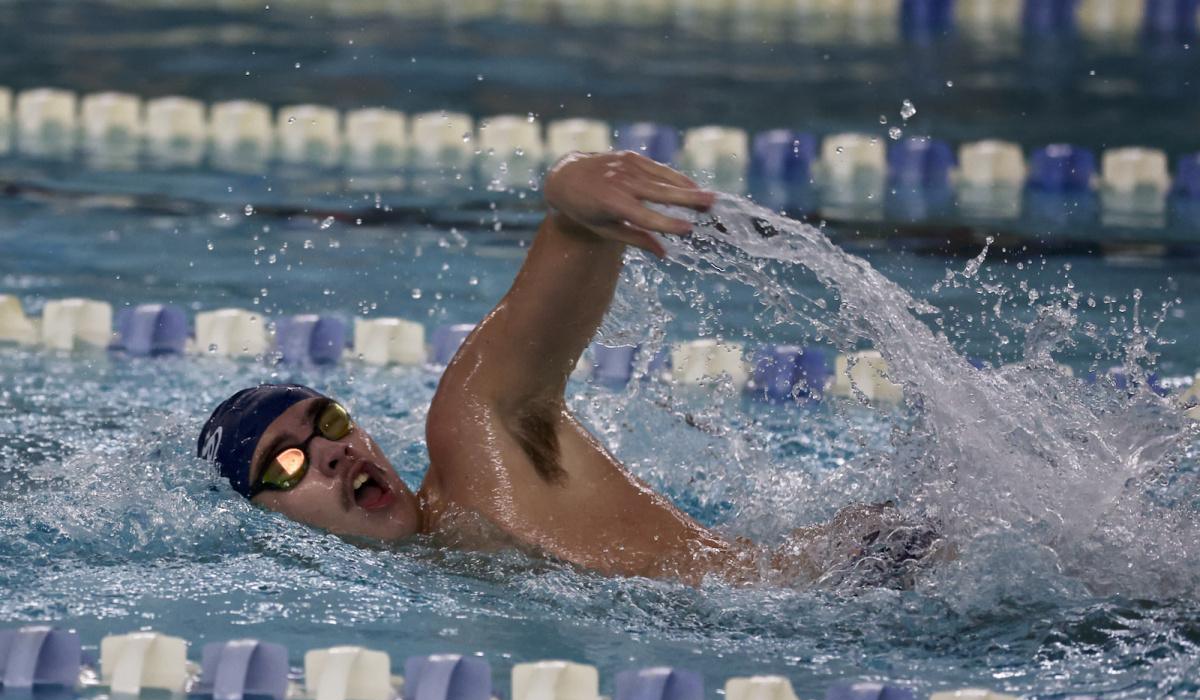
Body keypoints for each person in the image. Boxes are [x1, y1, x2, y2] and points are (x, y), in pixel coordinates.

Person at [199, 151, 937, 586]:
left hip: (882, 574)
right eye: (289, 460)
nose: (333, 449)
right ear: (263, 521)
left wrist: (570, 197)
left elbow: (541, 319)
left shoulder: (473, 449)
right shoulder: (449, 569)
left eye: (327, 421)